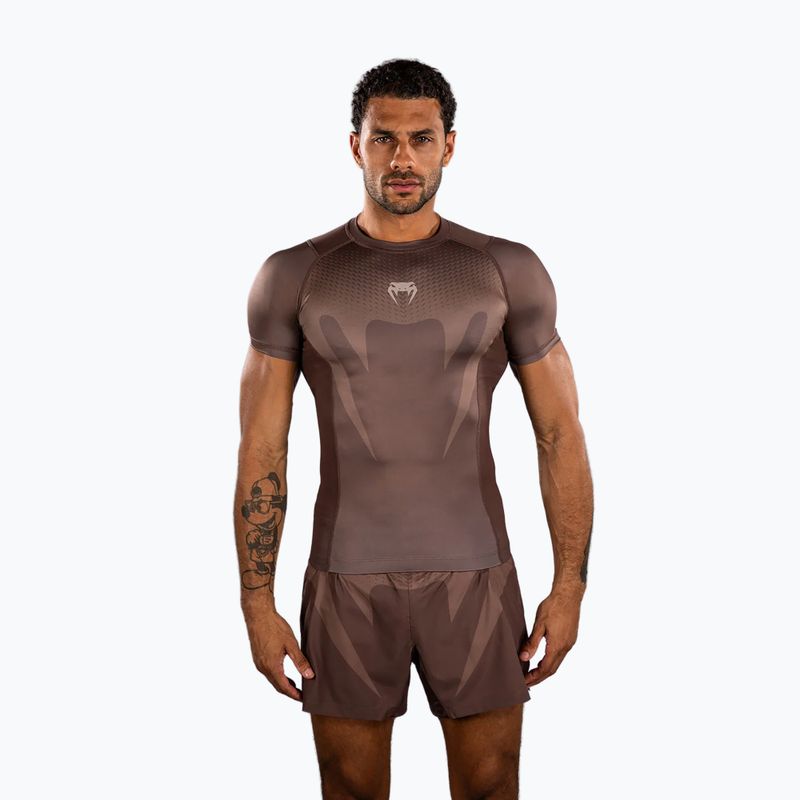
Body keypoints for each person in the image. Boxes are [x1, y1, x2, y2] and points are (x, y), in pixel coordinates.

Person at [234, 58, 594, 800]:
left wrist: (569, 588)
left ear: (449, 146)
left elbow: (560, 434)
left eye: (421, 139)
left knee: (492, 785)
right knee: (348, 788)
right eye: (384, 139)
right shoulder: (294, 275)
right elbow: (263, 448)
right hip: (344, 578)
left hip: (476, 575)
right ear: (355, 145)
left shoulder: (506, 269)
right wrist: (256, 605)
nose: (402, 158)